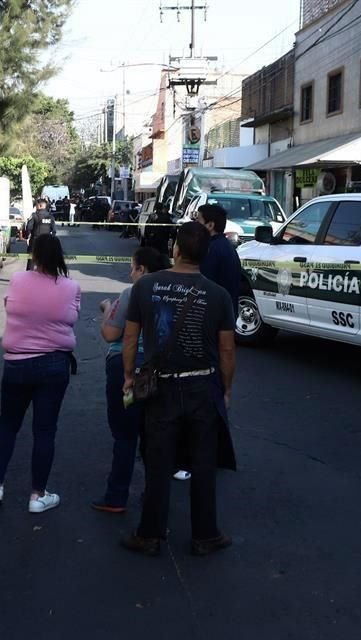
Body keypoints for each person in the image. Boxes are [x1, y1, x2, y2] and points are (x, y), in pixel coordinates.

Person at [121, 221, 237, 557]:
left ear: (175, 249)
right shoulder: (218, 295)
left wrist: (129, 376)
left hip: (161, 387)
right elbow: (227, 349)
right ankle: (205, 535)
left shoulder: (147, 286)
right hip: (203, 386)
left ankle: (150, 534)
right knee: (203, 463)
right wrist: (226, 389)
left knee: (159, 462)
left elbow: (130, 336)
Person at [0, 234, 80, 512]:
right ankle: (37, 496)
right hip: (54, 364)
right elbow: (72, 317)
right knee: (44, 431)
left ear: (34, 255)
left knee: (7, 424)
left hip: (16, 362)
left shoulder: (17, 280)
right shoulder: (71, 286)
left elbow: (9, 307)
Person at [92, 246, 171, 514]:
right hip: (163, 369)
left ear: (143, 270)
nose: (130, 272)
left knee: (125, 435)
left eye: (134, 267)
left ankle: (116, 497)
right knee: (155, 435)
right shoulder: (175, 294)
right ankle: (156, 497)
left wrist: (107, 308)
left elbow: (111, 334)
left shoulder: (131, 294)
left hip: (127, 368)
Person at [198, 203, 243, 320]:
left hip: (214, 315)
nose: (196, 225)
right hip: (226, 313)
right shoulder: (225, 246)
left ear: (210, 225)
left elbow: (205, 283)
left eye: (198, 220)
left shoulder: (211, 249)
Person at [23, 198, 55, 271]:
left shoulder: (34, 215)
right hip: (47, 241)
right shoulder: (50, 216)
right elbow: (54, 230)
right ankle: (45, 274)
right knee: (46, 259)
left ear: (39, 205)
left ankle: (29, 276)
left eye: (36, 205)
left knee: (31, 259)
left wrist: (28, 236)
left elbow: (29, 228)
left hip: (35, 240)